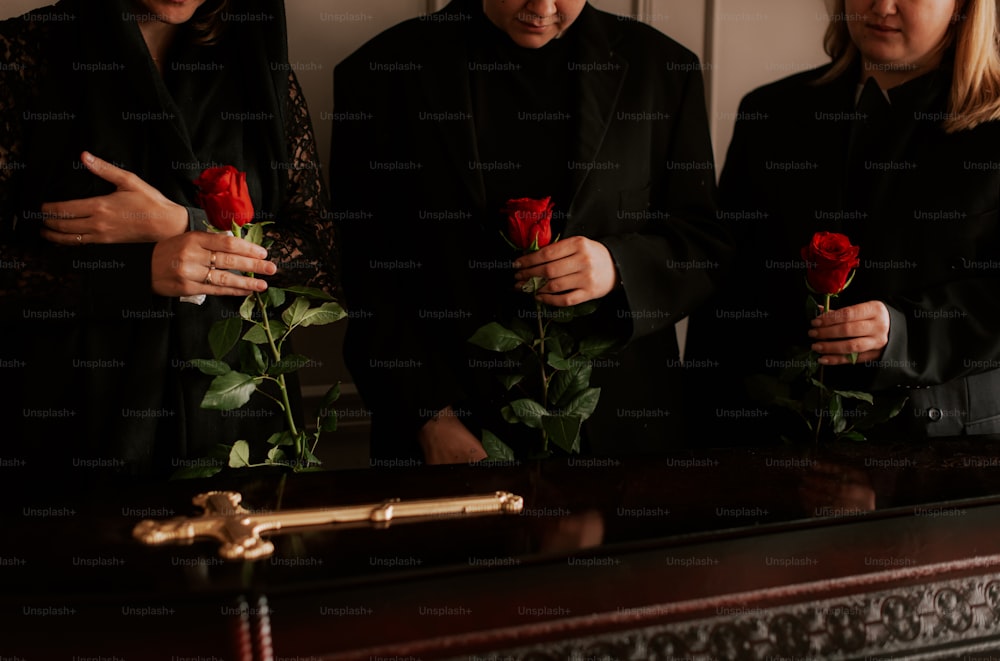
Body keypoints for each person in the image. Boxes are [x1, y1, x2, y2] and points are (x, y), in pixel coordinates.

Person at [332, 0, 725, 463]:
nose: (541, 7)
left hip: (622, 438)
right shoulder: (379, 72)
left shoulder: (664, 69)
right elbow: (364, 270)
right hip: (447, 433)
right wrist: (429, 420)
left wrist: (617, 269)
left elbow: (704, 246)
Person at [0, 0, 336, 477]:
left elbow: (318, 259)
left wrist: (187, 225)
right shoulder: (24, 53)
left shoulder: (254, 59)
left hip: (240, 430)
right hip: (74, 420)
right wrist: (135, 274)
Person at [686, 0, 1000, 441]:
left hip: (942, 456)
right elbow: (725, 303)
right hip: (773, 451)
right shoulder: (771, 113)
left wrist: (906, 333)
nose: (881, 5)